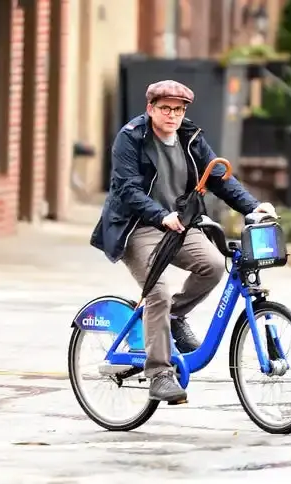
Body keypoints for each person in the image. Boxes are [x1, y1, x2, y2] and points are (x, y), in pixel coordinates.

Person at [90, 80, 276, 403]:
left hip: (178, 223)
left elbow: (220, 179)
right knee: (157, 290)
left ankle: (172, 317)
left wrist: (251, 206)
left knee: (214, 265)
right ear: (151, 109)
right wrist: (160, 214)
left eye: (178, 109)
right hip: (137, 226)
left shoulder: (190, 138)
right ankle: (160, 373)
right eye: (165, 108)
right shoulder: (130, 138)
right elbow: (127, 190)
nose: (172, 115)